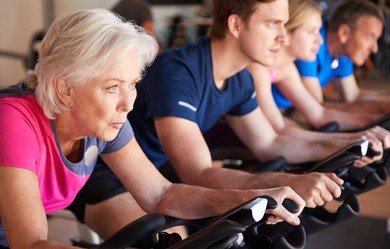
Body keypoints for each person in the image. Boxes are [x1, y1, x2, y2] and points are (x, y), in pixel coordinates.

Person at [0, 9, 306, 249]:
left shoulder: (103, 121)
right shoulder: (13, 121)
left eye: (132, 84)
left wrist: (250, 200)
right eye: (112, 87)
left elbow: (160, 194)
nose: (128, 103)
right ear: (65, 88)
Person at [124, 0, 346, 206]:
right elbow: (197, 173)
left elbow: (269, 143)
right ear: (236, 25)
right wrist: (287, 182)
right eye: (273, 24)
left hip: (158, 170)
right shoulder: (177, 72)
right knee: (175, 242)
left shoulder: (240, 78)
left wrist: (344, 146)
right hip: (114, 174)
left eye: (284, 25)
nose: (283, 38)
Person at [247, 0, 390, 144]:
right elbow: (278, 127)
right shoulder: (260, 68)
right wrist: (343, 142)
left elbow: (319, 114)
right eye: (311, 31)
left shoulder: (288, 68)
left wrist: (372, 122)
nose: (320, 40)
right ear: (286, 34)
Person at [294, 0, 390, 115]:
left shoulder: (343, 52)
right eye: (370, 38)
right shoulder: (310, 44)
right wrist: (381, 107)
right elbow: (317, 109)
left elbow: (352, 96)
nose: (375, 49)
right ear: (344, 33)